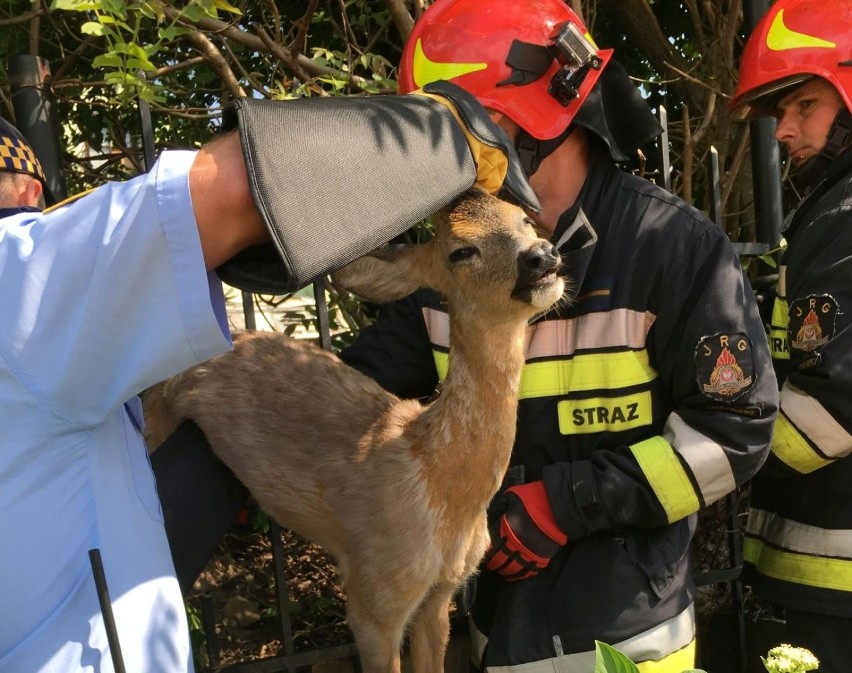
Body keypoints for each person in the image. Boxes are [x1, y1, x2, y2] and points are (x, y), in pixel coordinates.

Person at [0, 82, 541, 673]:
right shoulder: (17, 278)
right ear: (30, 191)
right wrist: (441, 129)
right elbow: (234, 191)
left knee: (436, 605)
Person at [339, 1, 779, 670]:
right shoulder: (453, 262)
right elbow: (356, 394)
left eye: (453, 135)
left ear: (525, 122)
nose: (441, 164)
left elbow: (736, 430)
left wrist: (565, 504)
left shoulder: (672, 247)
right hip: (499, 626)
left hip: (632, 636)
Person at [729, 1, 852, 670]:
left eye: (805, 104)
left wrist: (715, 457)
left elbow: (833, 408)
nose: (784, 130)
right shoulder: (831, 207)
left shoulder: (847, 215)